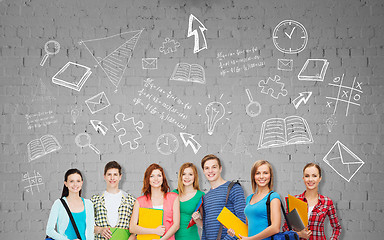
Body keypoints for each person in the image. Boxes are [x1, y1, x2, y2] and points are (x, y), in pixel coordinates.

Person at [282, 163, 342, 240]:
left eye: (314, 176)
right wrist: (300, 234)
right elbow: (285, 229)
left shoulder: (327, 202)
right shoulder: (294, 200)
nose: (310, 179)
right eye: (307, 176)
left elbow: (337, 228)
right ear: (303, 178)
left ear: (320, 178)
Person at [228, 160, 281, 240]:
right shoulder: (249, 198)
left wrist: (251, 239)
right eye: (258, 173)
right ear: (253, 176)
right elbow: (247, 227)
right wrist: (234, 231)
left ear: (270, 176)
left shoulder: (273, 197)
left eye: (265, 173)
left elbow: (275, 228)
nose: (261, 176)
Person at [200, 154, 246, 240]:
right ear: (203, 171)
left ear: (220, 168)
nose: (210, 171)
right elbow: (205, 228)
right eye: (207, 168)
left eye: (214, 167)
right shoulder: (206, 197)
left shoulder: (233, 188)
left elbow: (242, 219)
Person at [129, 163, 180, 240]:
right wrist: (154, 231)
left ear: (163, 178)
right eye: (152, 176)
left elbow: (176, 225)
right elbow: (132, 228)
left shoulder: (173, 197)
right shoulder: (140, 201)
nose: (156, 179)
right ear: (148, 179)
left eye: (159, 175)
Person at [90, 161, 136, 240]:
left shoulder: (131, 201)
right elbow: (88, 226)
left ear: (120, 176)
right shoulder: (95, 200)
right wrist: (100, 230)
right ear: (104, 176)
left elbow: (135, 229)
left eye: (115, 174)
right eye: (109, 174)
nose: (112, 178)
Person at [46, 169, 95, 240]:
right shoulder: (59, 204)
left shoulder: (88, 204)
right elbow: (49, 230)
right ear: (66, 183)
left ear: (82, 183)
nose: (75, 184)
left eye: (78, 181)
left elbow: (90, 232)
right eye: (71, 181)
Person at [172, 163, 205, 240]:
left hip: (191, 237)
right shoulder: (173, 193)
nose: (187, 177)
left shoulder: (200, 195)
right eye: (184, 174)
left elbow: (203, 225)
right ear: (180, 176)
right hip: (173, 237)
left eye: (190, 174)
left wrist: (196, 219)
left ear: (195, 177)